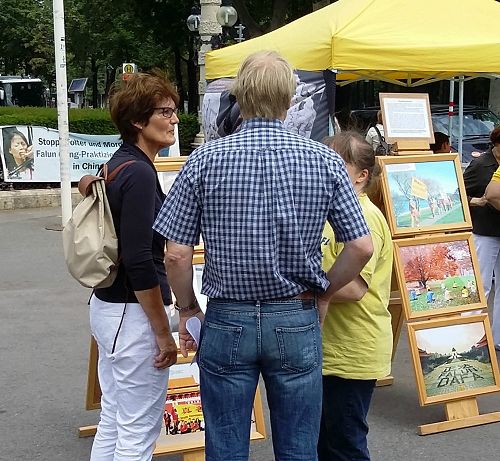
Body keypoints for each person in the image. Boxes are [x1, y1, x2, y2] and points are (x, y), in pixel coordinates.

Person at [153, 51, 373, 461]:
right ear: (289, 98)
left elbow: (177, 255)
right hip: (295, 315)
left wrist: (187, 308)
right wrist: (325, 291)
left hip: (227, 316)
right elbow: (361, 246)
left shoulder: (205, 159)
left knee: (226, 444)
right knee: (298, 446)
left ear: (240, 96)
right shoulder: (324, 160)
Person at [89, 72, 178, 461]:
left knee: (114, 418)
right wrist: (162, 333)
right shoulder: (140, 172)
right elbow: (141, 259)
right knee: (138, 431)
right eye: (165, 112)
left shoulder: (117, 165)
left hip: (108, 306)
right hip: (132, 314)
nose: (174, 119)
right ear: (139, 120)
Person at [318, 132, 393, 461]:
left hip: (352, 351)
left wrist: (298, 287)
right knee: (324, 441)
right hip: (329, 349)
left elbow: (354, 288)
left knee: (344, 444)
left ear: (362, 176)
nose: (325, 170)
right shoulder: (331, 211)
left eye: (336, 165)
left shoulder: (365, 217)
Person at [464, 125, 500, 350]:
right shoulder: (480, 164)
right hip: (485, 231)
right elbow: (457, 191)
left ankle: (498, 338)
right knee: (481, 284)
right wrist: (474, 201)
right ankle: (471, 338)